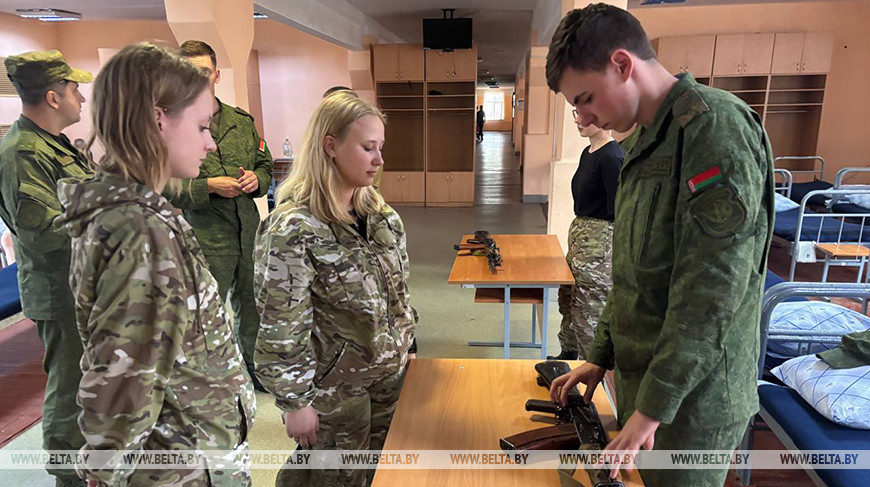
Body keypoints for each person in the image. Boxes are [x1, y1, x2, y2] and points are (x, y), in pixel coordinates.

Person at [545, 4, 774, 486]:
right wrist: (600, 354)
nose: (583, 116)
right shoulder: (645, 140)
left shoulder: (713, 129)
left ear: (622, 64)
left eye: (585, 99)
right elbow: (632, 272)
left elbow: (712, 293)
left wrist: (651, 409)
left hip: (691, 403)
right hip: (646, 384)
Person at [56, 42, 255, 486]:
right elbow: (123, 371)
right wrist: (105, 466)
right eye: (201, 126)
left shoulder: (137, 215)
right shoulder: (139, 230)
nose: (209, 142)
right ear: (158, 118)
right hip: (179, 465)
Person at [254, 91, 417, 487]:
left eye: (380, 147)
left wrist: (408, 344)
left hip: (388, 379)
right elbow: (281, 325)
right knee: (336, 479)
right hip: (334, 391)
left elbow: (399, 294)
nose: (379, 160)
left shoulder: (382, 217)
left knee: (381, 473)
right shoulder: (293, 228)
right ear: (330, 146)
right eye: (367, 148)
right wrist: (295, 402)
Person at [0, 50, 93, 487]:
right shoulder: (23, 152)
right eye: (75, 89)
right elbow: (43, 233)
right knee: (71, 386)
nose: (82, 98)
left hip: (83, 283)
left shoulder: (54, 145)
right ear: (54, 97)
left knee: (88, 382)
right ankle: (68, 474)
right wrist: (109, 219)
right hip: (59, 290)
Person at [165, 40, 273, 391]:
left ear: (217, 75)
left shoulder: (240, 122)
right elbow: (162, 186)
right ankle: (203, 381)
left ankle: (254, 369)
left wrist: (257, 180)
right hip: (206, 238)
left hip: (249, 233)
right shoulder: (171, 125)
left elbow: (265, 164)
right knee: (203, 315)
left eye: (204, 71)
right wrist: (208, 186)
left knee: (254, 307)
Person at [550, 114, 623, 361]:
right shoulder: (589, 152)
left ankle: (590, 368)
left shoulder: (613, 157)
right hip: (581, 237)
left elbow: (619, 211)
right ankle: (568, 353)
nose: (577, 121)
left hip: (599, 244)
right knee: (568, 299)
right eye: (576, 114)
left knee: (588, 308)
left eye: (585, 116)